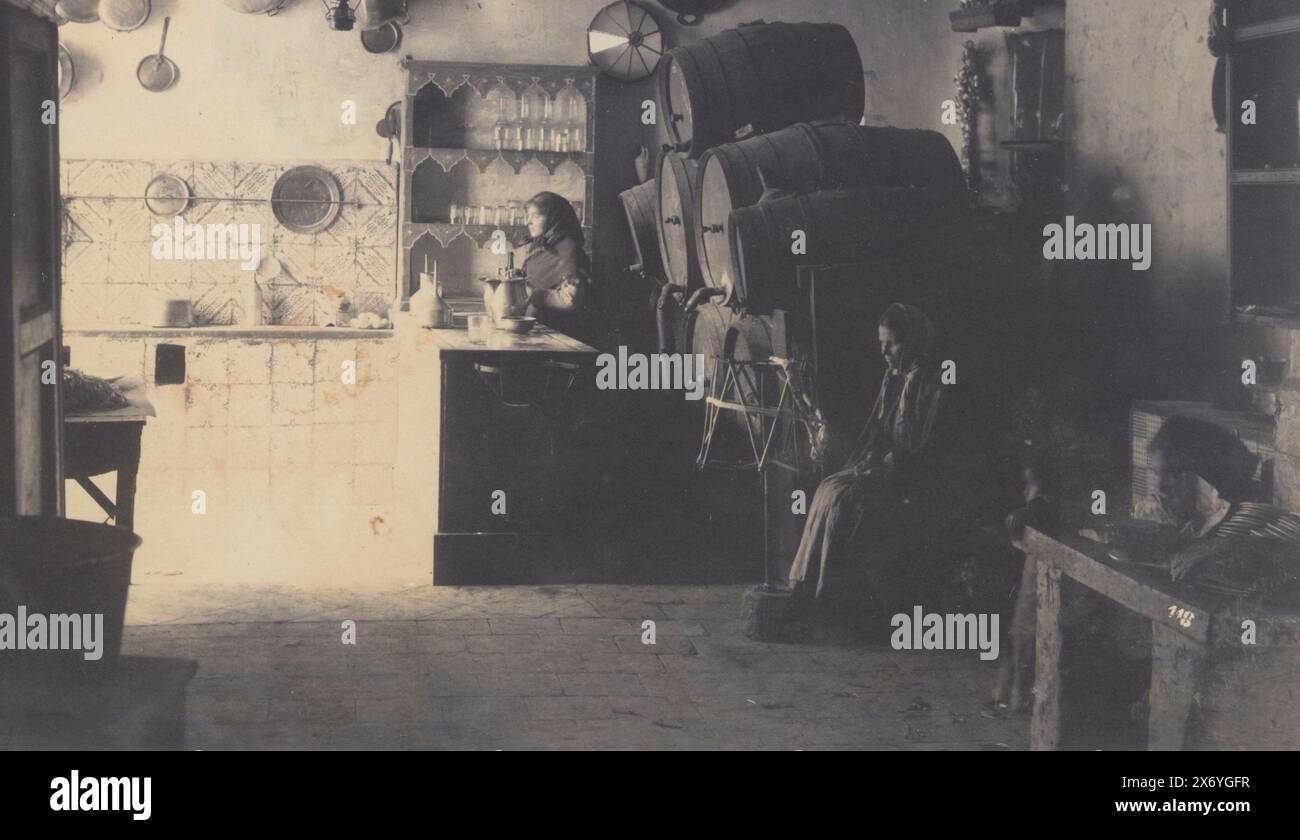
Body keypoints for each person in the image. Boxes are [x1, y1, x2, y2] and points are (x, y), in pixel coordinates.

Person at [787, 302, 948, 619]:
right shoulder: (894, 378)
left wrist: (888, 463)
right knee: (828, 487)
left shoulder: (934, 383)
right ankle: (804, 586)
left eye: (893, 343)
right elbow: (878, 428)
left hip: (915, 474)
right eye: (882, 344)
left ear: (913, 341)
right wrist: (867, 459)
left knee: (844, 501)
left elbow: (929, 444)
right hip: (888, 466)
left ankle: (830, 599)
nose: (886, 351)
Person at [517, 192, 589, 330]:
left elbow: (571, 299)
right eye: (528, 216)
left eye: (536, 216)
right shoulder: (541, 246)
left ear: (554, 218)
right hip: (538, 327)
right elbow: (538, 278)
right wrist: (518, 276)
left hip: (560, 330)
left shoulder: (567, 248)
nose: (528, 222)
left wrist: (535, 295)